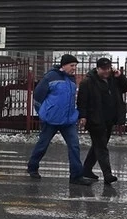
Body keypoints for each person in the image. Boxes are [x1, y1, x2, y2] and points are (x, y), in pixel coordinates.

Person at [27, 54, 94, 185]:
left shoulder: (72, 79)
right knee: (43, 145)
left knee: (74, 146)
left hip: (68, 120)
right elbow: (38, 96)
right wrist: (43, 112)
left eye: (75, 66)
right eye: (72, 65)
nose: (74, 68)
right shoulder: (50, 77)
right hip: (51, 119)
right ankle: (32, 167)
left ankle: (76, 176)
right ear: (64, 65)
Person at [77, 58, 127, 185]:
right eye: (104, 69)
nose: (106, 71)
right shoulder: (88, 82)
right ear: (98, 69)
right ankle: (108, 175)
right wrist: (83, 116)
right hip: (95, 119)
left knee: (98, 145)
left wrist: (120, 76)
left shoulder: (114, 79)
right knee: (101, 147)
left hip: (109, 119)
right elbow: (82, 101)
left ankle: (86, 169)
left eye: (108, 68)